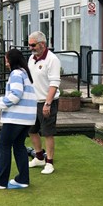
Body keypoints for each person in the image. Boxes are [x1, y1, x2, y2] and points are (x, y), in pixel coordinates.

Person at [0, 49, 37, 189]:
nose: (6, 63)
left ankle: (0, 182)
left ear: (12, 60)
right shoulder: (24, 73)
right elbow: (15, 96)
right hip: (27, 118)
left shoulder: (16, 73)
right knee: (19, 146)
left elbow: (16, 95)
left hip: (15, 119)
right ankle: (23, 179)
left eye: (7, 60)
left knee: (4, 145)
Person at [27, 31, 61, 175]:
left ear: (42, 44)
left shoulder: (52, 59)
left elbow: (54, 83)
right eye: (29, 45)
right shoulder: (31, 58)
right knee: (31, 130)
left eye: (33, 45)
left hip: (47, 101)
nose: (30, 48)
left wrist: (47, 103)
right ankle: (39, 157)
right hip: (32, 101)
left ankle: (49, 163)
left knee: (47, 132)